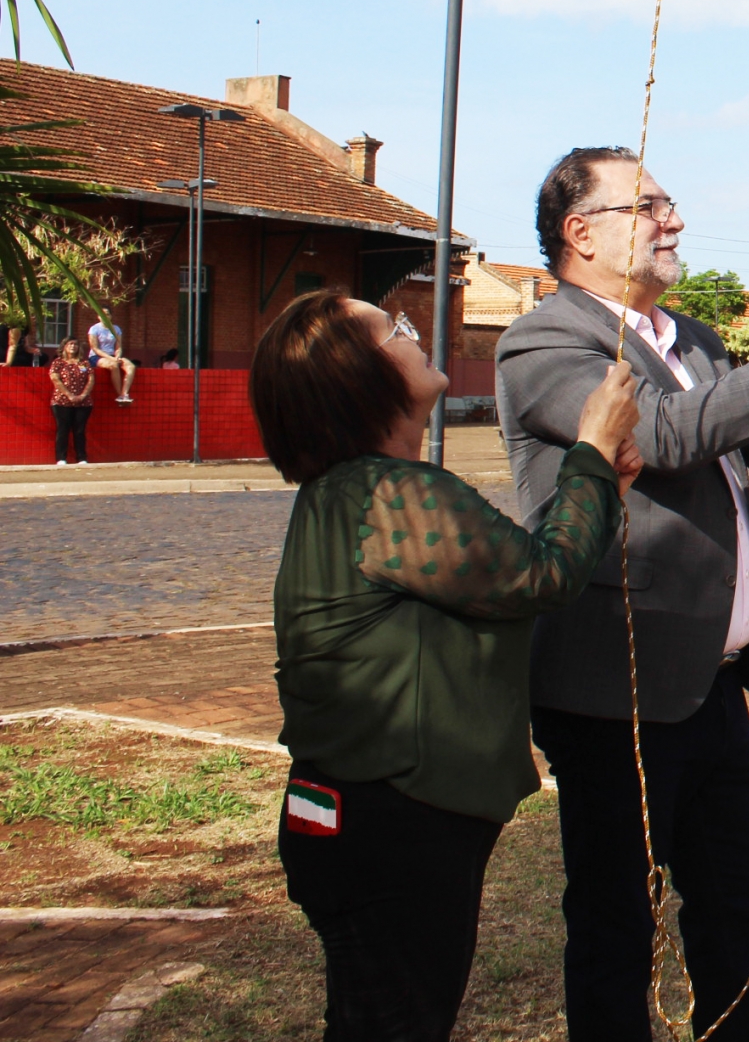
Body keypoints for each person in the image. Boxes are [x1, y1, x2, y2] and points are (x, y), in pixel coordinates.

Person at [498, 147, 749, 1042]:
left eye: (668, 203)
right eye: (647, 205)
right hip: (615, 689)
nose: (671, 219)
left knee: (733, 900)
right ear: (580, 232)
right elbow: (663, 434)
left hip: (713, 679)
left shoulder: (695, 337)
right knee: (615, 920)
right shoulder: (545, 341)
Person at [252, 289, 643, 1042]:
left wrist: (597, 488)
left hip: (356, 814)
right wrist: (592, 448)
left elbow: (508, 572)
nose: (414, 333)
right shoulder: (393, 494)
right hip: (396, 823)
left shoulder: (348, 491)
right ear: (360, 377)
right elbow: (543, 576)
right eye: (392, 329)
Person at [49, 337, 94, 465]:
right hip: (62, 401)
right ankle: (61, 458)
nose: (73, 346)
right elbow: (55, 379)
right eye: (70, 344)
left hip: (83, 402)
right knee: (63, 430)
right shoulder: (58, 362)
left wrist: (83, 395)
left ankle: (81, 458)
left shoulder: (84, 363)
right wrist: (69, 395)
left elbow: (91, 380)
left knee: (79, 430)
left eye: (75, 344)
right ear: (64, 346)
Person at [86, 315, 135, 404]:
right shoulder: (94, 329)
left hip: (113, 355)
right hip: (97, 356)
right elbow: (95, 348)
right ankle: (119, 394)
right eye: (102, 314)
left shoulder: (116, 329)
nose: (105, 316)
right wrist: (111, 359)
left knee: (130, 366)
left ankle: (125, 393)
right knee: (114, 365)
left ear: (111, 316)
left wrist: (117, 356)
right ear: (98, 316)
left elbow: (118, 347)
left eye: (107, 314)